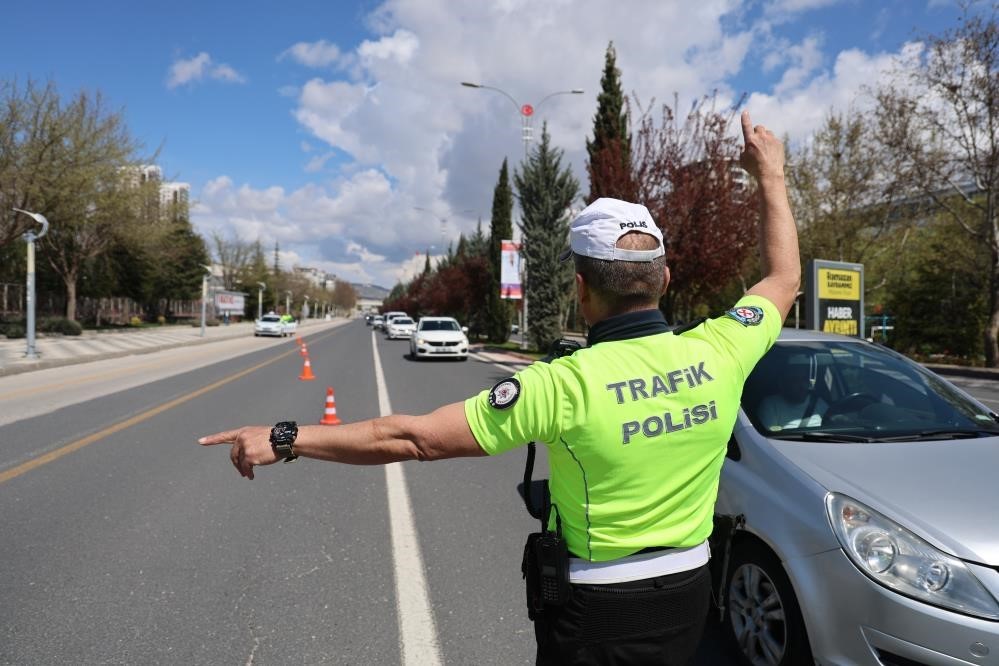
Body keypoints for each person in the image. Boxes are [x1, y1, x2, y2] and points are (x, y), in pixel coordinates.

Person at [198, 110, 800, 665]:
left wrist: (286, 437)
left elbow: (412, 438)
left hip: (596, 612)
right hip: (690, 596)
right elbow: (783, 278)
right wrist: (769, 174)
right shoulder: (722, 349)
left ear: (581, 289)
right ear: (664, 278)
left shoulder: (561, 385)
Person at [757, 354, 828, 430]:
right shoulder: (771, 405)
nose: (802, 385)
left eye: (804, 379)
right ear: (783, 384)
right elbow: (768, 437)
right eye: (795, 380)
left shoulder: (820, 404)